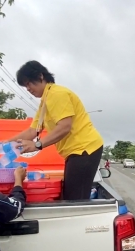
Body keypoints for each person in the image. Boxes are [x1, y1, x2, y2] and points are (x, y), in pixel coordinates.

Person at [9, 60, 104, 200]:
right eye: (25, 86)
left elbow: (65, 126)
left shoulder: (57, 94)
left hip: (84, 149)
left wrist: (36, 145)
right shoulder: (45, 100)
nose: (27, 88)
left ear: (40, 76)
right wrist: (5, 143)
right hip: (76, 152)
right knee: (70, 197)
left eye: (28, 83)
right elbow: (33, 131)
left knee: (75, 200)